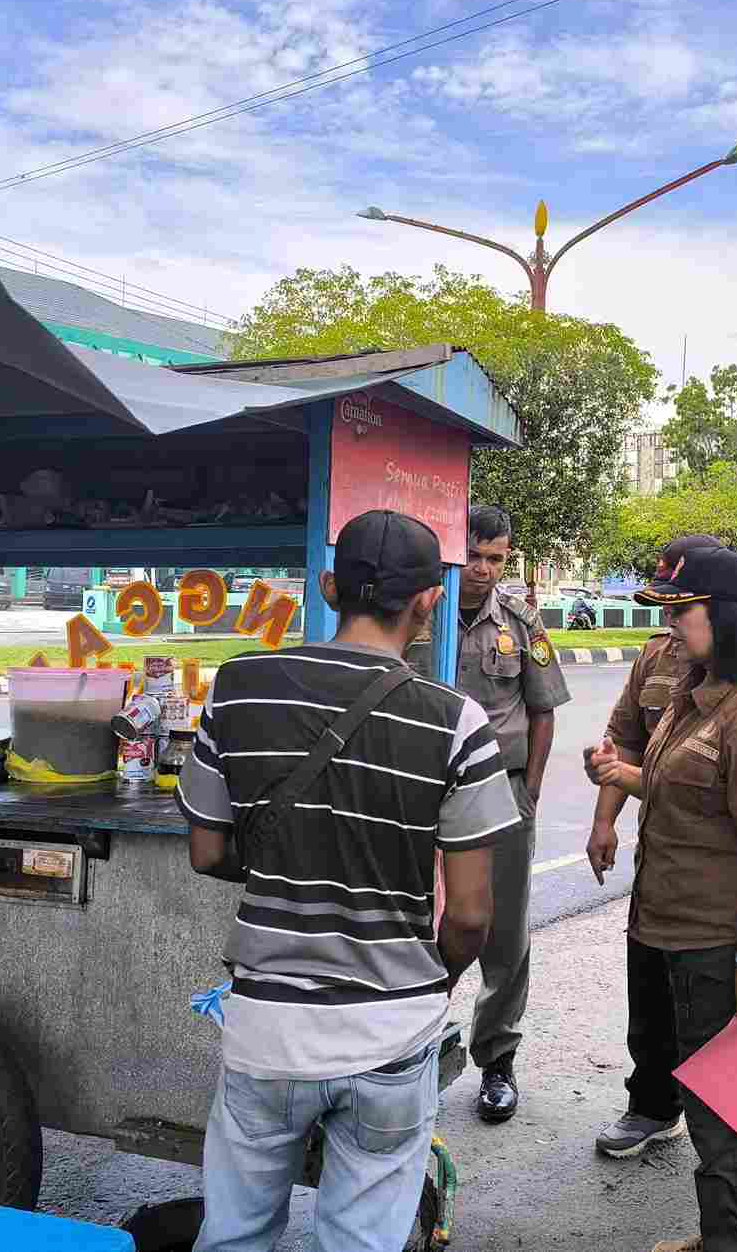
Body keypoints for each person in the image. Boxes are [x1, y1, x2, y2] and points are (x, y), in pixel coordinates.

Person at [180, 508, 519, 1252]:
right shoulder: (457, 723)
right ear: (429, 600)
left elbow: (207, 852)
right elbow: (468, 915)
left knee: (233, 1233)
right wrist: (435, 981)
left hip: (266, 1027)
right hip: (390, 1035)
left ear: (330, 586)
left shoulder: (239, 687)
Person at [583, 534, 737, 1162]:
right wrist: (610, 803)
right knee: (655, 1016)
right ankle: (656, 1108)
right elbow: (633, 747)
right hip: (663, 890)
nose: (668, 624)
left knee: (731, 1073)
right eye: (664, 610)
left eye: (680, 609)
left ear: (720, 613)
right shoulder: (671, 670)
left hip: (724, 907)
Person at [408, 503, 571, 1123]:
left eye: (495, 558)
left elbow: (544, 711)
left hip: (500, 791)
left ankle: (496, 1060)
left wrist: (528, 791)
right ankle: (411, 1048)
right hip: (420, 791)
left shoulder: (523, 623)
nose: (481, 569)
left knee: (503, 931)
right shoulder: (422, 614)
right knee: (415, 917)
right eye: (472, 555)